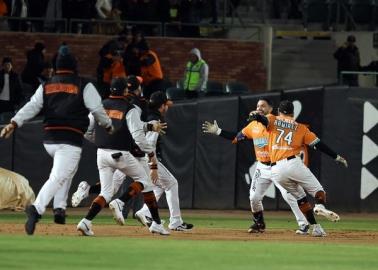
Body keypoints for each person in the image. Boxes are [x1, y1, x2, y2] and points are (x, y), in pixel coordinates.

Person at [0, 46, 113, 235]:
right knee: (59, 175)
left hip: (49, 139)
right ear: (74, 65)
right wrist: (108, 125)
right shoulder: (83, 84)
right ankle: (36, 209)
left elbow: (32, 106)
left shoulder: (47, 84)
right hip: (70, 139)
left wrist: (14, 123)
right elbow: (97, 109)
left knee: (67, 170)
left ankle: (60, 208)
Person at [77, 77, 170, 236]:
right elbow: (138, 137)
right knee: (144, 181)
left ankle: (85, 222)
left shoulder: (100, 105)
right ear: (125, 91)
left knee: (105, 193)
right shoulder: (130, 108)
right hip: (120, 154)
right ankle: (155, 224)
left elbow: (87, 132)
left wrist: (100, 141)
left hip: (101, 154)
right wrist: (151, 153)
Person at [202, 98, 309, 234]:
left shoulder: (275, 121)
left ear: (271, 109)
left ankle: (304, 224)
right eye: (258, 105)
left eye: (263, 106)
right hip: (262, 167)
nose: (259, 108)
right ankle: (259, 223)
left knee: (290, 196)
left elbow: (266, 120)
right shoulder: (253, 126)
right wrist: (218, 131)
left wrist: (257, 116)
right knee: (254, 197)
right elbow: (237, 137)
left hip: (279, 166)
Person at [250, 100, 348, 237]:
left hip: (276, 170)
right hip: (292, 163)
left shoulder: (272, 120)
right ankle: (319, 207)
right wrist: (336, 157)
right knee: (318, 192)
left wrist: (255, 116)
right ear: (292, 112)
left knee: (301, 198)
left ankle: (315, 227)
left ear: (279, 111)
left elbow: (260, 118)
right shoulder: (301, 128)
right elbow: (319, 145)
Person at [134, 91, 194, 231]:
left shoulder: (148, 114)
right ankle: (176, 221)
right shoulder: (155, 120)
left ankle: (144, 212)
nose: (167, 107)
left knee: (159, 186)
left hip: (140, 158)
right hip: (147, 159)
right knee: (172, 184)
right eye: (165, 105)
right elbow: (149, 145)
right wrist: (153, 166)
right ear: (161, 106)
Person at [0, 57, 23, 122]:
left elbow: (20, 90)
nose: (7, 66)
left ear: (11, 66)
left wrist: (17, 103)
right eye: (5, 65)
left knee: (11, 122)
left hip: (11, 102)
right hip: (1, 102)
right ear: (3, 66)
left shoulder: (15, 76)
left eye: (9, 65)